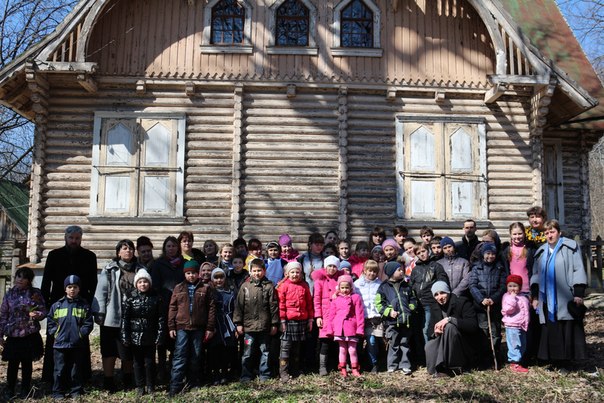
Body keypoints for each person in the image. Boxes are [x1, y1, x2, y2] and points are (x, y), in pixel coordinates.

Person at [41, 225, 97, 383]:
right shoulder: (54, 255)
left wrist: (88, 301)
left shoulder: (89, 256)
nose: (74, 241)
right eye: (71, 238)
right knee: (55, 338)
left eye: (77, 238)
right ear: (65, 238)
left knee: (79, 339)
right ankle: (53, 378)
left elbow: (93, 282)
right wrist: (46, 303)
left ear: (81, 239)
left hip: (80, 304)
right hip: (57, 304)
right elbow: (46, 281)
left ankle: (80, 377)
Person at [530, 219, 588, 371]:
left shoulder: (570, 247)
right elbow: (535, 274)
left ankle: (566, 363)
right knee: (551, 328)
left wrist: (578, 293)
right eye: (546, 233)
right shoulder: (541, 251)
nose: (549, 235)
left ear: (559, 232)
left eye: (552, 232)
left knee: (566, 328)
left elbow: (578, 269)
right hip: (546, 298)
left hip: (565, 296)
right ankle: (555, 361)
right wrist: (535, 296)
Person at [93, 239, 142, 391]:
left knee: (128, 350)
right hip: (111, 316)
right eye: (124, 248)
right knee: (109, 350)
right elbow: (101, 291)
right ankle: (108, 381)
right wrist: (99, 312)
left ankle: (127, 379)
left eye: (130, 248)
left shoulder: (140, 269)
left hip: (132, 317)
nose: (128, 251)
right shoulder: (110, 269)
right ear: (118, 252)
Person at [168, 260, 216, 395]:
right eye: (188, 273)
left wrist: (210, 327)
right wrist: (171, 326)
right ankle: (175, 384)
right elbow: (172, 307)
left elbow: (211, 308)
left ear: (198, 274)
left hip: (198, 328)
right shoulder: (179, 288)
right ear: (184, 274)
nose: (191, 276)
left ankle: (193, 382)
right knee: (180, 356)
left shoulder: (205, 288)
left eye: (194, 273)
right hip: (182, 327)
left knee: (196, 356)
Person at [0, 267, 46, 400]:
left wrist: (37, 314)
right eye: (18, 276)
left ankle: (26, 389)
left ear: (29, 280)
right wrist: (0, 335)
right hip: (13, 335)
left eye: (24, 277)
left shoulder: (35, 294)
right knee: (12, 364)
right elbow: (3, 315)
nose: (20, 279)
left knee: (27, 363)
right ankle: (10, 389)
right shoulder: (9, 294)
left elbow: (43, 310)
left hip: (29, 334)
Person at [47, 275, 93, 399]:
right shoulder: (57, 305)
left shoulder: (84, 305)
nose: (72, 289)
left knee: (75, 369)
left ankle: (75, 391)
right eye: (69, 287)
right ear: (65, 289)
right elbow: (50, 322)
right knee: (59, 369)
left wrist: (80, 334)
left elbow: (88, 323)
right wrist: (55, 333)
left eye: (75, 287)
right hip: (60, 344)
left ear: (79, 289)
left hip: (77, 343)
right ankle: (57, 392)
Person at [120, 269, 165, 396]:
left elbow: (161, 318)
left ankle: (151, 385)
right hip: (134, 336)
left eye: (145, 281)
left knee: (150, 362)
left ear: (149, 283)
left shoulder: (156, 297)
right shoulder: (130, 297)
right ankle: (140, 386)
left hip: (150, 335)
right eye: (140, 282)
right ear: (136, 284)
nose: (143, 284)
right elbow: (125, 318)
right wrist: (125, 336)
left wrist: (160, 335)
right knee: (137, 363)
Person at [234, 259, 279, 382]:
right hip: (248, 327)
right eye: (254, 271)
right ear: (250, 272)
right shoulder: (245, 286)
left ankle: (265, 374)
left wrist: (274, 323)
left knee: (265, 351)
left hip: (265, 326)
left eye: (259, 270)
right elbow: (239, 306)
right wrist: (238, 323)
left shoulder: (269, 286)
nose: (257, 273)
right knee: (247, 352)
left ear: (264, 271)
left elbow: (273, 306)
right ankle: (246, 375)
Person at [425, 281, 478, 377]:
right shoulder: (435, 307)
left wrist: (450, 320)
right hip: (444, 342)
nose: (440, 297)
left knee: (450, 327)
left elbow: (473, 325)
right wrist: (435, 332)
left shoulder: (462, 302)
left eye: (442, 293)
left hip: (464, 343)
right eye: (436, 295)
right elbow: (429, 330)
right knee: (429, 345)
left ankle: (454, 368)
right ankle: (437, 368)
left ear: (448, 292)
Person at [150, 236, 184, 382]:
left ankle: (174, 369)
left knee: (177, 339)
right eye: (168, 246)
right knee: (162, 339)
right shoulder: (158, 264)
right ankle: (162, 370)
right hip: (163, 305)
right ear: (164, 248)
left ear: (178, 248)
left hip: (181, 306)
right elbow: (155, 284)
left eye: (174, 246)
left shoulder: (183, 263)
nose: (171, 249)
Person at [469, 243, 507, 369]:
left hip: (494, 305)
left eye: (492, 254)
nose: (490, 256)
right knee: (483, 331)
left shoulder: (499, 268)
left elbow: (503, 286)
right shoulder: (476, 268)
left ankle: (495, 355)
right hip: (481, 307)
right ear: (483, 254)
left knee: (495, 332)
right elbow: (472, 285)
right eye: (488, 253)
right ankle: (483, 357)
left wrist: (493, 299)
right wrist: (481, 299)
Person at [375, 261, 415, 374]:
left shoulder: (406, 285)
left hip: (405, 321)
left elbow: (413, 298)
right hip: (392, 323)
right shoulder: (383, 287)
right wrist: (389, 312)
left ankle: (405, 365)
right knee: (393, 344)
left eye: (402, 269)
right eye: (399, 270)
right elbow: (379, 304)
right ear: (391, 272)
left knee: (405, 343)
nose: (402, 271)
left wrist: (411, 307)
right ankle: (392, 365)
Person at [277, 262, 314, 381]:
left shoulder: (304, 285)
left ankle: (295, 370)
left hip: (301, 320)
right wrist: (282, 321)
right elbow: (281, 305)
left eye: (297, 272)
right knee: (285, 347)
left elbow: (309, 304)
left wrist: (310, 319)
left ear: (301, 273)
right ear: (287, 274)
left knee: (297, 347)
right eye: (292, 272)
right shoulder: (283, 286)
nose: (295, 274)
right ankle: (283, 372)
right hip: (288, 321)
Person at [324, 275, 364, 377]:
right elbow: (332, 315)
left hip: (352, 327)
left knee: (352, 350)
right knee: (342, 349)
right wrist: (330, 329)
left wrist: (360, 328)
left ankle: (354, 368)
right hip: (339, 328)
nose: (345, 290)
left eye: (347, 287)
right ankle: (343, 368)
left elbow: (359, 314)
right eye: (342, 288)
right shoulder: (336, 299)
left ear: (351, 287)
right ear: (339, 288)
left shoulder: (356, 298)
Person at [409, 243, 449, 345]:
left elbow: (442, 283)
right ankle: (422, 353)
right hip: (418, 305)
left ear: (428, 251)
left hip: (430, 303)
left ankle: (430, 352)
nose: (422, 254)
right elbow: (411, 286)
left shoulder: (436, 266)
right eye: (419, 253)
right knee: (418, 331)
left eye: (423, 251)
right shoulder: (415, 269)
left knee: (427, 330)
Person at [311, 255, 344, 375]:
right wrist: (318, 316)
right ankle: (322, 366)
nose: (332, 268)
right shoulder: (320, 281)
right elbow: (317, 300)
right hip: (325, 315)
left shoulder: (340, 280)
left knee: (337, 340)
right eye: (329, 266)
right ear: (325, 267)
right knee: (325, 341)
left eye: (334, 266)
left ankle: (336, 364)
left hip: (337, 314)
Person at [208, 268, 238, 385]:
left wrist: (236, 325)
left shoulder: (231, 292)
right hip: (215, 323)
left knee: (227, 349)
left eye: (221, 277)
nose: (219, 280)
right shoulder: (210, 292)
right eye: (216, 278)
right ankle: (216, 373)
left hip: (228, 323)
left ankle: (225, 372)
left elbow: (235, 309)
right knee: (215, 349)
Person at [354, 260, 383, 373]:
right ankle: (358, 362)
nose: (372, 273)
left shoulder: (380, 284)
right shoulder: (357, 284)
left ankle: (373, 363)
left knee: (372, 341)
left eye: (374, 271)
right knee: (358, 341)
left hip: (374, 317)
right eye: (369, 271)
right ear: (364, 271)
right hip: (361, 317)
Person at [501, 274, 529, 373]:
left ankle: (519, 360)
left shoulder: (522, 296)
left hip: (521, 325)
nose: (512, 288)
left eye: (515, 286)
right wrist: (512, 299)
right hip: (512, 325)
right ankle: (514, 363)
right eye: (510, 286)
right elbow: (508, 310)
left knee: (522, 344)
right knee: (514, 344)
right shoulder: (507, 297)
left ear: (520, 287)